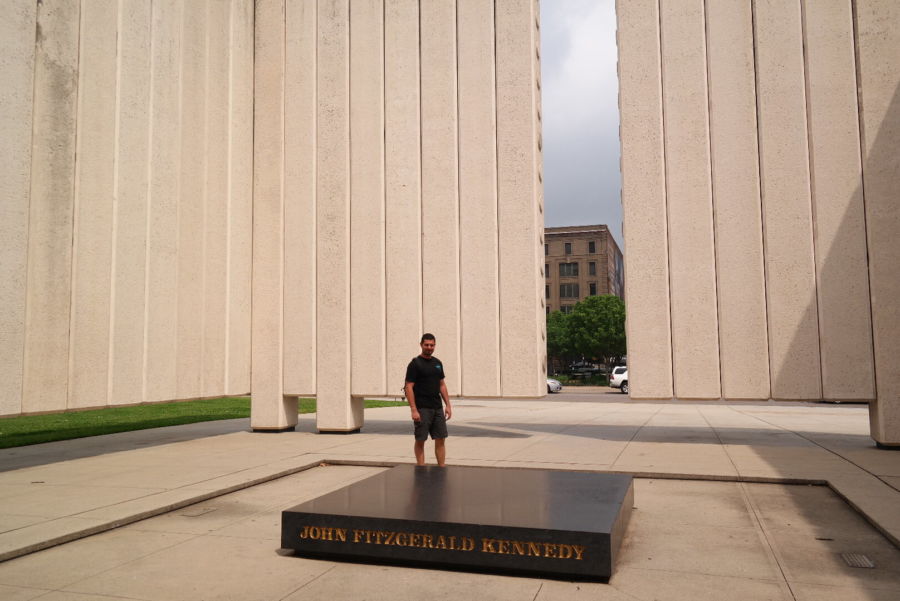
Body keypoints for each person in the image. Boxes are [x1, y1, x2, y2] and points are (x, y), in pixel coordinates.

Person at [404, 333, 452, 466]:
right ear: (421, 345)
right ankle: (421, 468)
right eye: (426, 345)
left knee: (441, 439)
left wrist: (448, 405)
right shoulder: (415, 364)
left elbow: (442, 385)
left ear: (435, 345)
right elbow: (409, 387)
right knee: (421, 440)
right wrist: (413, 409)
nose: (429, 347)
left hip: (437, 408)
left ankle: (441, 468)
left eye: (432, 345)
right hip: (422, 408)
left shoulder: (438, 363)